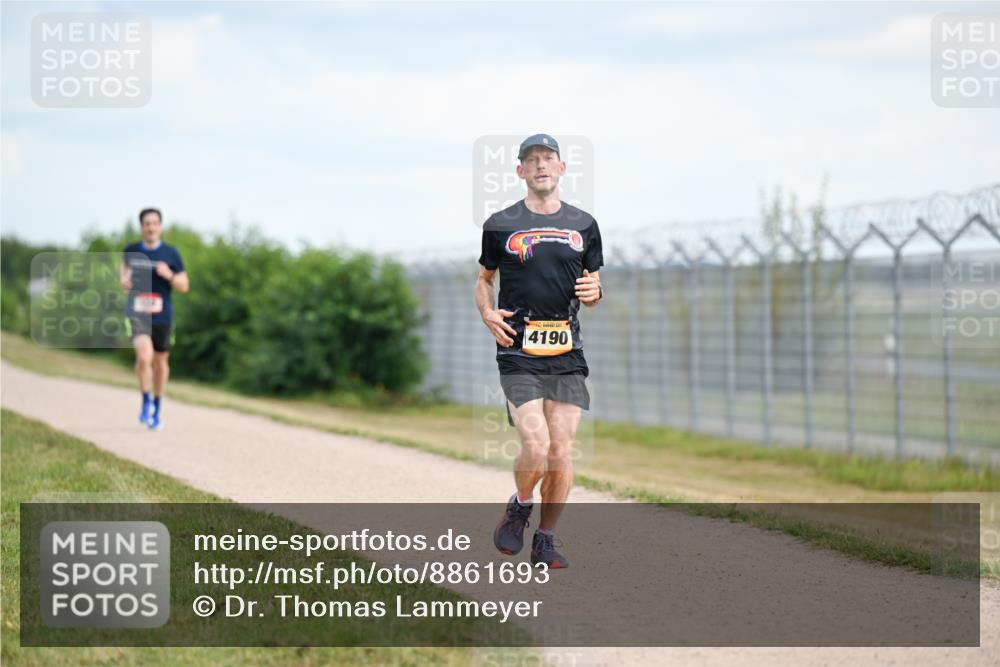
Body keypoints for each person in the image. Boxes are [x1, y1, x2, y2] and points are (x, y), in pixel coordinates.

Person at [475, 134, 603, 569]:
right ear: (520, 171)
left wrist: (596, 292)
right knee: (536, 443)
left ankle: (545, 538)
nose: (541, 165)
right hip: (518, 349)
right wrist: (487, 312)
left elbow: (592, 286)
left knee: (560, 451)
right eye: (531, 160)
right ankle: (520, 504)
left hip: (566, 351)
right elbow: (484, 280)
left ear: (562, 168)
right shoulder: (500, 224)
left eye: (548, 158)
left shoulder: (584, 225)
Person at [119, 207, 189, 430]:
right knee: (144, 356)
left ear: (160, 226)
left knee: (160, 362)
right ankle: (145, 400)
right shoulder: (131, 251)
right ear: (141, 227)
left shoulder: (171, 254)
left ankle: (157, 406)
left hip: (163, 315)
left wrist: (169, 275)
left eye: (154, 223)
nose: (151, 227)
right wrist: (126, 281)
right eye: (147, 223)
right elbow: (123, 278)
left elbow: (184, 286)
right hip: (138, 312)